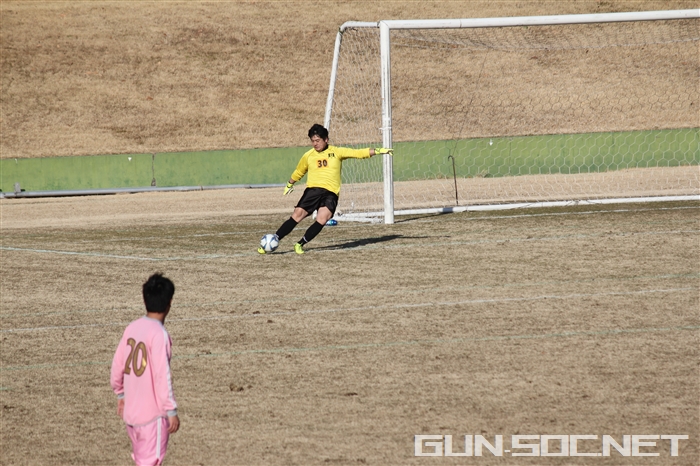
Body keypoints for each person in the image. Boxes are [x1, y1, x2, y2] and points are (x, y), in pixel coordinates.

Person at [258, 123, 393, 254]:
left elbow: (358, 153)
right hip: (313, 191)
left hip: (331, 193)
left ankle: (300, 244)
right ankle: (274, 239)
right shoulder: (308, 155)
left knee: (323, 219)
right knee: (297, 216)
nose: (315, 144)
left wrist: (378, 151)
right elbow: (299, 171)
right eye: (313, 141)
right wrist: (289, 184)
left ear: (326, 139)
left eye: (318, 140)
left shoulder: (337, 152)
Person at [110, 273, 179, 466]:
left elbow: (117, 365)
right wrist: (170, 410)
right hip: (152, 418)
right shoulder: (159, 334)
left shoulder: (132, 327)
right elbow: (161, 375)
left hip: (131, 415)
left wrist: (120, 393)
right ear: (169, 303)